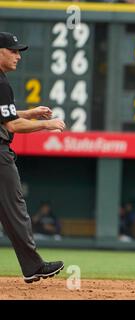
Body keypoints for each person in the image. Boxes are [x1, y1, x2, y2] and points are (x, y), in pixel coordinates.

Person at [0, 32, 66, 283]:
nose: (18, 56)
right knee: (15, 211)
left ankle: (32, 266)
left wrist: (30, 113)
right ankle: (33, 266)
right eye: (13, 50)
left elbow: (6, 115)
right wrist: (47, 124)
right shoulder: (1, 83)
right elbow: (12, 126)